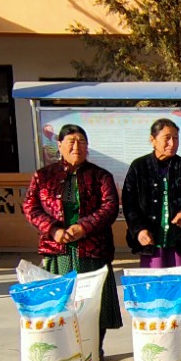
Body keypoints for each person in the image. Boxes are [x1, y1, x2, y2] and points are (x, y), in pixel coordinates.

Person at [22, 122, 123, 338]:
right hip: (58, 251)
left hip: (92, 250)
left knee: (94, 304)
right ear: (59, 145)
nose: (76, 147)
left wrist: (83, 227)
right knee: (61, 305)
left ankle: (94, 347)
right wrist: (53, 230)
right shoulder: (44, 176)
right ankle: (65, 347)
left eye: (81, 142)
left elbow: (110, 207)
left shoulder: (100, 176)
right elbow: (30, 207)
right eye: (71, 142)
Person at [120, 118, 181, 268]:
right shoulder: (139, 167)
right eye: (167, 138)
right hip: (152, 242)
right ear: (153, 140)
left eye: (176, 138)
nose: (172, 143)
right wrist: (139, 229)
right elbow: (129, 202)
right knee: (155, 280)